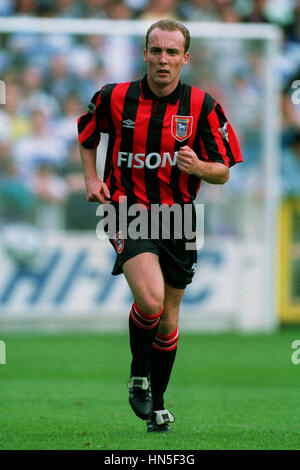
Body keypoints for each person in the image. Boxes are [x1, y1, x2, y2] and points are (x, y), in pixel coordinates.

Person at [77, 19, 243, 433]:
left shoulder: (203, 106)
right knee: (150, 301)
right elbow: (86, 133)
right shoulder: (115, 96)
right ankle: (138, 374)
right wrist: (91, 179)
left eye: (172, 52)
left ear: (185, 58)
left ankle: (157, 404)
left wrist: (199, 166)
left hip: (179, 215)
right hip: (126, 208)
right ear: (144, 53)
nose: (163, 59)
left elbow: (223, 171)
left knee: (168, 319)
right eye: (156, 50)